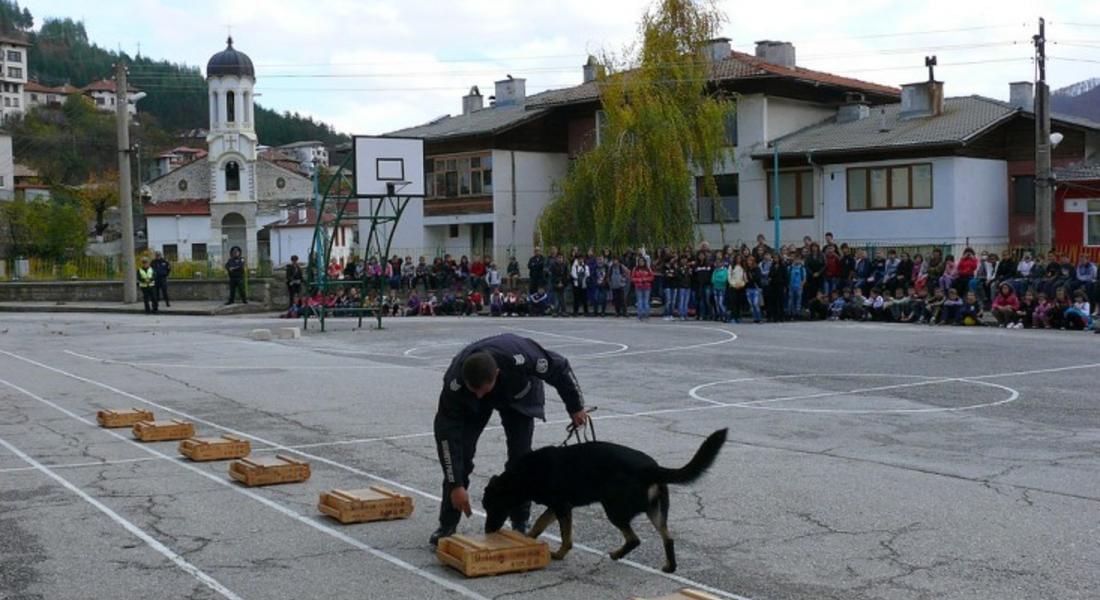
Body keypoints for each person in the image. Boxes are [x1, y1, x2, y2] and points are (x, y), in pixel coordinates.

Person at [430, 334, 588, 545]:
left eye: (482, 390)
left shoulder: (523, 356)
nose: (478, 394)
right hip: (476, 405)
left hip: (519, 393)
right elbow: (447, 438)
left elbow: (559, 368)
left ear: (496, 373)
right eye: (473, 390)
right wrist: (455, 484)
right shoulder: (455, 383)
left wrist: (575, 406)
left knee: (520, 459)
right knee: (463, 456)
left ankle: (520, 520)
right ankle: (447, 524)